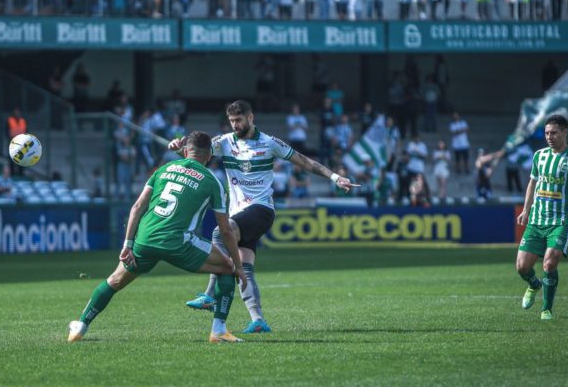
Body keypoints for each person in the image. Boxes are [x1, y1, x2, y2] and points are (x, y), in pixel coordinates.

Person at [169, 100, 358, 333]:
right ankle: (258, 320)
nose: (235, 125)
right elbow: (195, 155)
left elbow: (305, 161)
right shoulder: (224, 142)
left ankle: (209, 295)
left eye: (238, 120)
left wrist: (334, 177)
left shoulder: (269, 143)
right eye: (231, 121)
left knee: (221, 232)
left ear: (251, 117)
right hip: (240, 214)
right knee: (244, 266)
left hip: (261, 210)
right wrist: (179, 147)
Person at [67, 131, 247, 343]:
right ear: (209, 155)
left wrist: (127, 245)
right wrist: (238, 265)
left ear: (187, 151)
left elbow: (136, 207)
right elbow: (225, 230)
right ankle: (218, 330)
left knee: (114, 280)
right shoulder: (212, 181)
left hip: (145, 239)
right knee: (226, 268)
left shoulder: (162, 170)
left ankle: (81, 326)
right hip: (179, 242)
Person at [516, 115, 568, 321]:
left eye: (554, 133)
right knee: (522, 267)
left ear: (564, 132)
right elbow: (532, 184)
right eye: (546, 133)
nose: (549, 137)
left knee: (549, 264)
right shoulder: (539, 156)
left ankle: (546, 309)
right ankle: (534, 284)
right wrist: (526, 209)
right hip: (536, 220)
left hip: (561, 220)